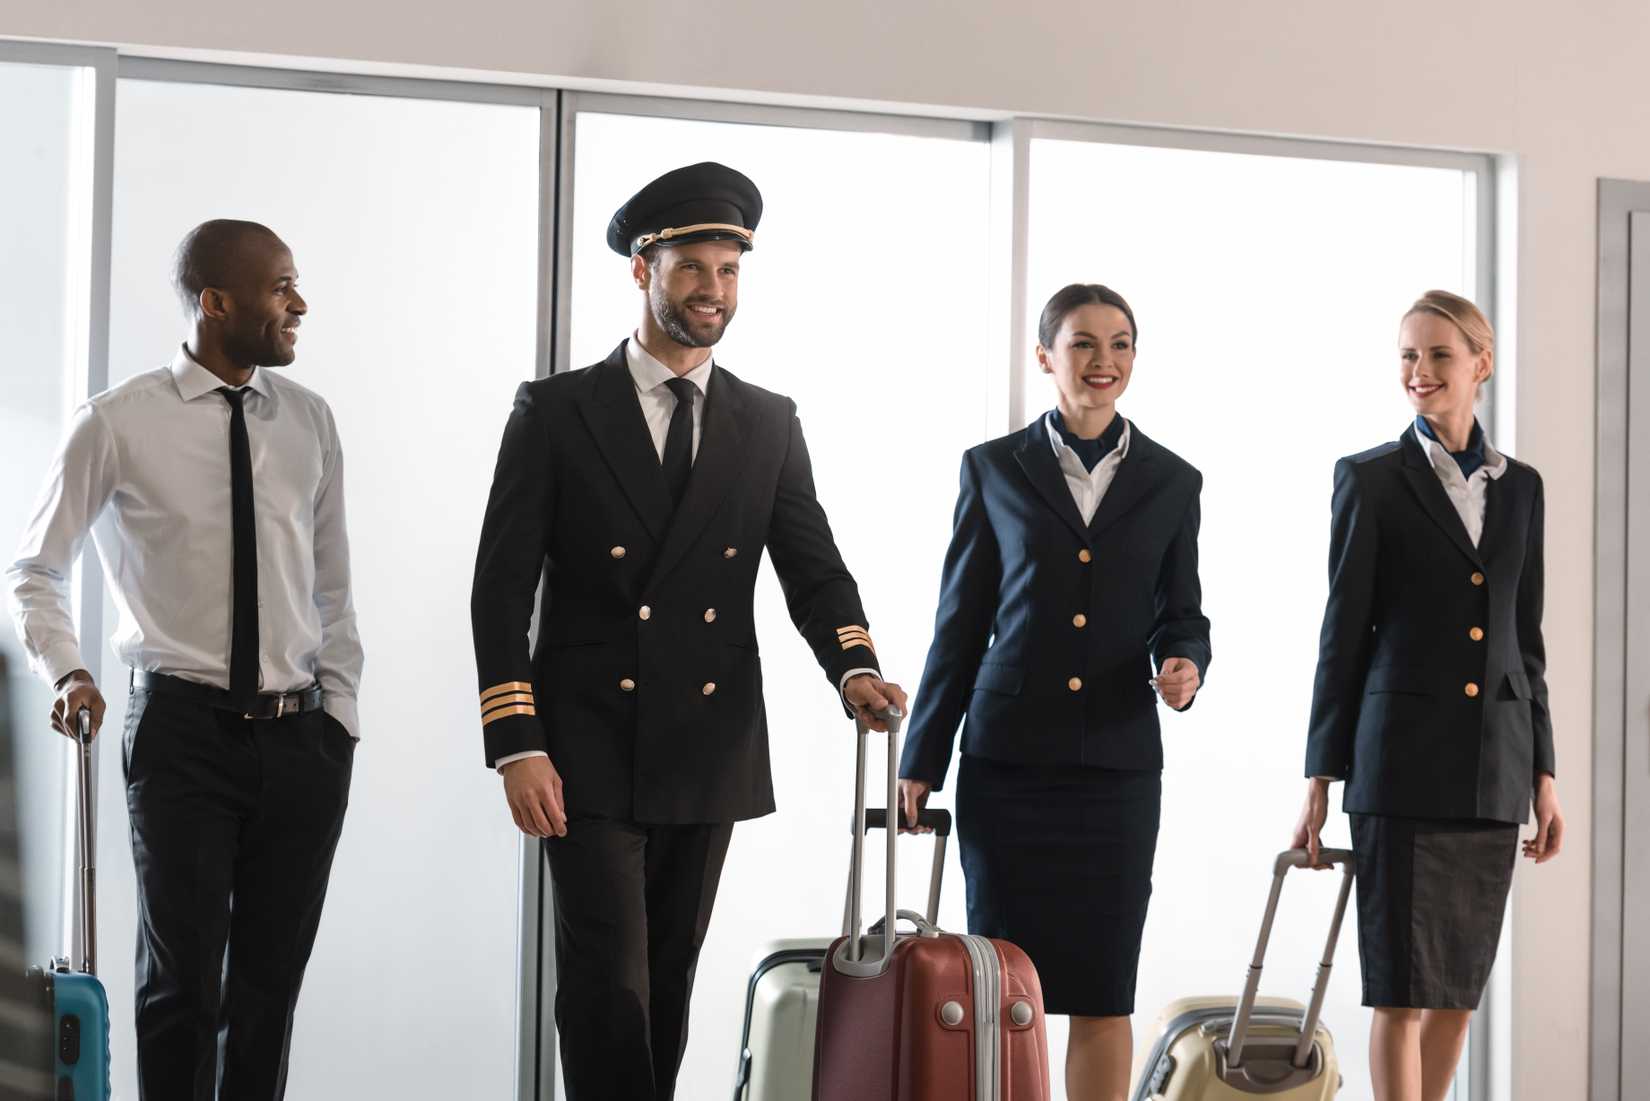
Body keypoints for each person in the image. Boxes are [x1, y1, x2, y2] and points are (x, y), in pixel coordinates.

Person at [470, 161, 907, 1101]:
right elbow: (499, 588)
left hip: (706, 742)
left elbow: (813, 566)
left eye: (729, 271)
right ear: (643, 269)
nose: (715, 290)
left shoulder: (768, 421)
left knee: (668, 979)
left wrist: (854, 667)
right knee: (608, 986)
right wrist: (517, 742)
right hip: (583, 745)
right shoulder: (555, 411)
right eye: (694, 269)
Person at [4, 220, 361, 1100]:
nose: (300, 303)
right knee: (181, 990)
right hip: (180, 735)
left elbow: (333, 586)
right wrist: (69, 669)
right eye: (281, 287)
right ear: (216, 303)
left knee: (268, 993)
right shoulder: (117, 421)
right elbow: (34, 567)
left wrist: (340, 719)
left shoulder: (309, 420)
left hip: (301, 739)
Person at [897, 283, 1210, 1101]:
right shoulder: (993, 468)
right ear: (1045, 356)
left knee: (1104, 991)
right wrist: (921, 759)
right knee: (1004, 988)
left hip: (1117, 769)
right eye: (1083, 343)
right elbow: (960, 624)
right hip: (1008, 767)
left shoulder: (1174, 480)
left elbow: (1182, 613)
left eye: (1120, 343)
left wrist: (1184, 663)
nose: (1104, 360)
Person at [1292, 290, 1564, 1101]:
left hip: (1493, 769)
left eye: (1439, 354)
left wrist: (1543, 773)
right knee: (1401, 989)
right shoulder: (1370, 479)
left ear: (1482, 364)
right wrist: (1320, 775)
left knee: (1457, 992)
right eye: (1409, 355)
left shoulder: (1523, 488)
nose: (1419, 370)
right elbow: (1342, 635)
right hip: (1399, 769)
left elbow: (1526, 641)